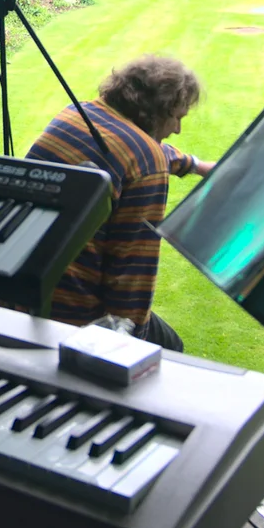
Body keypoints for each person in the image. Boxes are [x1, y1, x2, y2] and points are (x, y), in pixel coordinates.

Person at [25, 55, 214, 351]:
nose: (177, 129)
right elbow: (131, 273)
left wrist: (196, 165)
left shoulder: (77, 114)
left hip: (21, 289)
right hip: (71, 317)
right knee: (170, 348)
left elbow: (132, 150)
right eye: (177, 116)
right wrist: (128, 347)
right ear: (156, 112)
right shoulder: (146, 163)